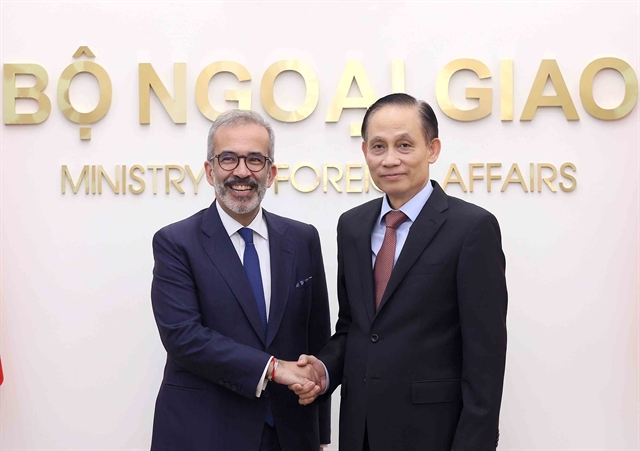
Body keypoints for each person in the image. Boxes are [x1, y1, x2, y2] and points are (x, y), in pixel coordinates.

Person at [294, 93, 508, 451]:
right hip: (360, 432)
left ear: (432, 149)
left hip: (434, 435)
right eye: (378, 146)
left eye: (405, 145)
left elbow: (485, 357)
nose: (390, 159)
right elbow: (354, 329)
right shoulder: (352, 226)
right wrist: (323, 370)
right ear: (365, 152)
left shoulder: (472, 228)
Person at [150, 109, 331, 451]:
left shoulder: (302, 238)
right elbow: (183, 337)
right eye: (228, 159)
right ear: (210, 170)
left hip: (290, 433)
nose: (242, 172)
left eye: (255, 159)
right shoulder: (176, 242)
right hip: (205, 432)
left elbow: (316, 337)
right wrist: (272, 368)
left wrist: (319, 434)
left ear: (271, 173)